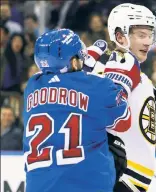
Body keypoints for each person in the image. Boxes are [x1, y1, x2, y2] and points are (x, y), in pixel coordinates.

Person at [23, 29, 132, 192]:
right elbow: (124, 121)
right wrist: (120, 81)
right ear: (73, 62)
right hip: (86, 186)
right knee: (116, 148)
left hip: (38, 187)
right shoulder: (98, 86)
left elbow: (62, 84)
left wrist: (79, 66)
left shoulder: (32, 86)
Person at [99, 3, 156, 191]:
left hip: (130, 180)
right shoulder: (120, 65)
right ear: (120, 36)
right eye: (141, 35)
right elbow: (103, 110)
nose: (148, 41)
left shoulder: (140, 77)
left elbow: (144, 134)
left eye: (150, 35)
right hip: (120, 179)